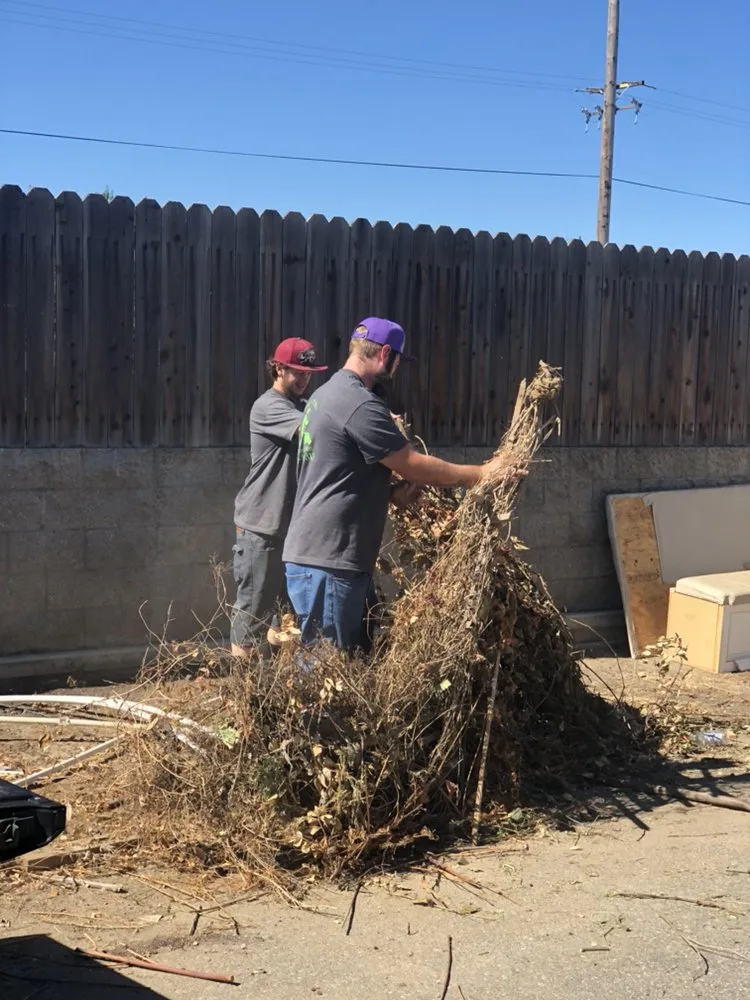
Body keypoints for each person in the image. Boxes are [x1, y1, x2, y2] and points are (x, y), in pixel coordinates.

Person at [282, 317, 519, 653]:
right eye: (397, 362)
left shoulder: (326, 394)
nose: (396, 370)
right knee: (325, 675)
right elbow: (411, 464)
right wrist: (482, 474)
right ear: (385, 354)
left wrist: (390, 494)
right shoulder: (358, 403)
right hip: (329, 562)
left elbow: (335, 474)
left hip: (325, 558)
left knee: (349, 670)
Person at [230, 337, 328, 659]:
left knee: (285, 622)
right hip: (261, 528)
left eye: (309, 373)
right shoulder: (268, 407)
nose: (303, 379)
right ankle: (244, 698)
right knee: (251, 618)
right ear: (278, 368)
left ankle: (275, 692)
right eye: (296, 372)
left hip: (290, 532)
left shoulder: (304, 406)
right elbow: (316, 431)